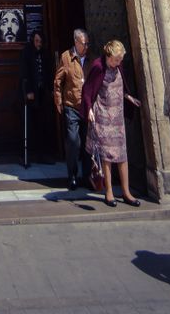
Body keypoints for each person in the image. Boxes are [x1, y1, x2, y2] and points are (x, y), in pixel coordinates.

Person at [81, 38, 141, 206]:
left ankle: (126, 192)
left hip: (117, 117)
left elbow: (121, 86)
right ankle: (108, 192)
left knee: (122, 154)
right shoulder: (98, 67)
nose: (118, 62)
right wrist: (89, 110)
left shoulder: (118, 66)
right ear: (108, 56)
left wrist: (128, 97)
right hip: (103, 115)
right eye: (116, 59)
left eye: (120, 59)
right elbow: (88, 90)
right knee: (107, 155)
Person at [54, 28, 93, 191]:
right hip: (71, 106)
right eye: (84, 43)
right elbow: (58, 80)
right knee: (73, 141)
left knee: (88, 142)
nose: (87, 46)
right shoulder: (66, 57)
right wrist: (59, 101)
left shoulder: (92, 58)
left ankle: (88, 176)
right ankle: (72, 175)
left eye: (88, 43)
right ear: (76, 42)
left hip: (88, 107)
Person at [20, 30, 54, 163]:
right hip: (31, 93)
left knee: (43, 122)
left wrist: (51, 89)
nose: (38, 44)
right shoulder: (27, 53)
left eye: (40, 41)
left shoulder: (45, 53)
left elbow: (49, 71)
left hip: (42, 92)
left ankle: (43, 153)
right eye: (36, 41)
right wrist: (28, 91)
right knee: (30, 123)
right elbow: (24, 72)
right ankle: (28, 154)